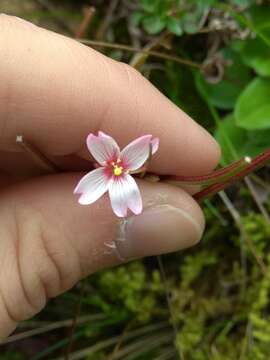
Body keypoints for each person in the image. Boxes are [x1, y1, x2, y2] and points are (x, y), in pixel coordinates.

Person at [0, 15, 220, 339]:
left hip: (119, 178)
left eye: (119, 164)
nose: (117, 165)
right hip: (113, 180)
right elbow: (99, 181)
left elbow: (119, 167)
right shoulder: (112, 165)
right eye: (115, 164)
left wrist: (121, 168)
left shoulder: (119, 165)